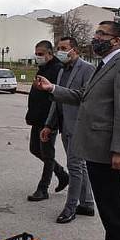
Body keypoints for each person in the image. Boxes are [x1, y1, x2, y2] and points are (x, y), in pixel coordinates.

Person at [34, 21, 120, 240]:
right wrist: (53, 89)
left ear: (116, 40)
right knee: (106, 208)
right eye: (96, 33)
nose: (95, 38)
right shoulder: (103, 66)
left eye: (100, 34)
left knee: (114, 209)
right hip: (95, 150)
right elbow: (82, 95)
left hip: (109, 153)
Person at [41, 37, 96, 224]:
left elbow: (83, 97)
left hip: (80, 125)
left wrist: (53, 88)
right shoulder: (62, 71)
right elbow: (57, 99)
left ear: (75, 50)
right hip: (64, 125)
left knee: (74, 167)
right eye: (58, 48)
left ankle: (70, 208)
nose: (60, 52)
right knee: (80, 166)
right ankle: (87, 203)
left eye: (64, 48)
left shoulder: (88, 69)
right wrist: (49, 125)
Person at [26, 40, 69, 202]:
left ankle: (43, 188)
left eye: (41, 54)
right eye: (36, 54)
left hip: (48, 120)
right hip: (37, 118)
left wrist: (50, 124)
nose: (38, 57)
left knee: (47, 153)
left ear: (50, 54)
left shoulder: (57, 69)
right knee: (35, 149)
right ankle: (62, 174)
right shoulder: (43, 68)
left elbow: (56, 97)